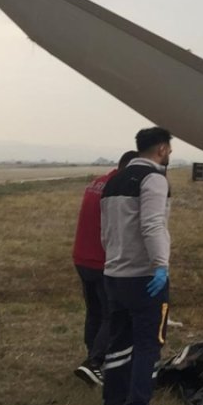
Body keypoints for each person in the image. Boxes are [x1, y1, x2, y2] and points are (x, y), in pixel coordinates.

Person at [99, 127, 174, 405]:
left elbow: (106, 231)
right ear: (161, 149)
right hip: (144, 276)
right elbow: (153, 223)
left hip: (114, 273)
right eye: (169, 147)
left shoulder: (113, 181)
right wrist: (161, 265)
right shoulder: (154, 179)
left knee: (118, 341)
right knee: (147, 345)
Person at [72, 150, 138, 387]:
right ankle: (95, 362)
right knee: (114, 313)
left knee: (95, 311)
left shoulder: (97, 183)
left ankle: (92, 359)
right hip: (103, 260)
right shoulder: (119, 188)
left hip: (82, 257)